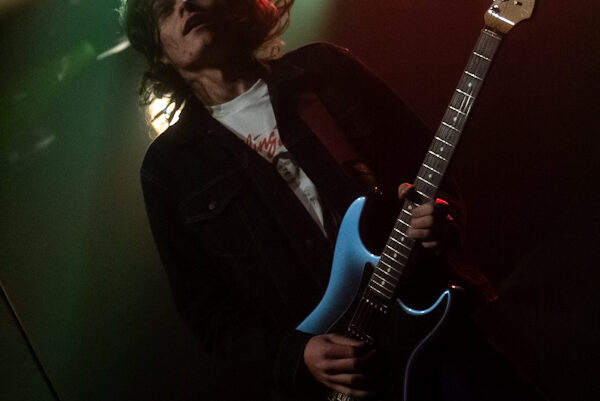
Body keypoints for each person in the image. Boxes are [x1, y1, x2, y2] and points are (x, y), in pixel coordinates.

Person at [120, 1, 545, 400]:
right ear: (158, 52)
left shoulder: (323, 70)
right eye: (164, 7)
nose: (185, 4)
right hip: (343, 379)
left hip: (434, 321)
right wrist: (296, 354)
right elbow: (209, 315)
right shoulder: (169, 167)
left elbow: (428, 162)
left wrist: (442, 218)